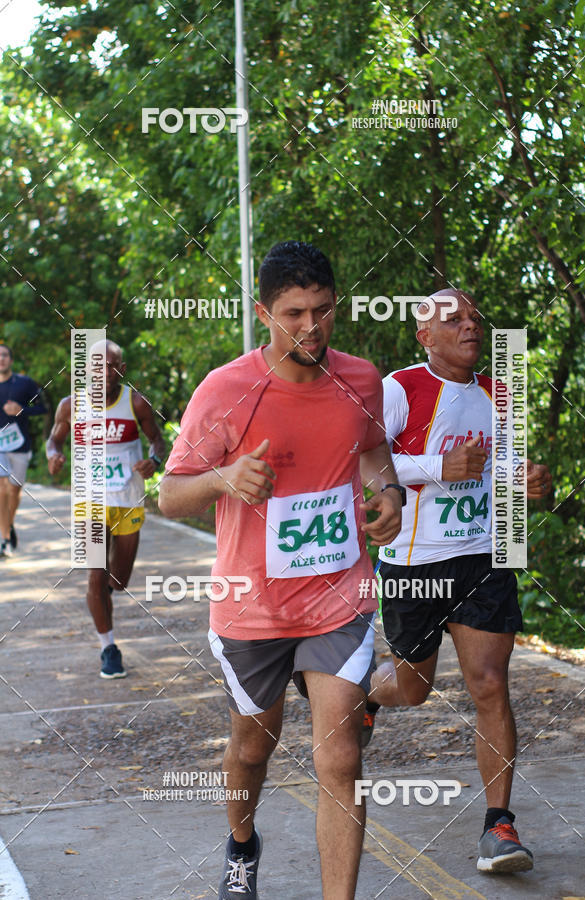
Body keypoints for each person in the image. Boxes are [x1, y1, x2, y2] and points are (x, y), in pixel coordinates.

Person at [159, 241, 404, 900]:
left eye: (322, 311)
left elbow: (375, 454)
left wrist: (390, 496)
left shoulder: (360, 379)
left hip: (338, 601)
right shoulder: (226, 390)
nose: (310, 328)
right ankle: (242, 843)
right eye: (294, 313)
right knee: (252, 747)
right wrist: (224, 476)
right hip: (253, 608)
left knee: (341, 755)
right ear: (263, 311)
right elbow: (170, 494)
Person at [363, 289, 552, 874]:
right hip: (413, 566)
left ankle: (499, 826)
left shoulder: (502, 392)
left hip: (482, 561)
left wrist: (529, 479)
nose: (471, 324)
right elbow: (359, 460)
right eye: (454, 319)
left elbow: (505, 466)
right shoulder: (400, 389)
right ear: (426, 336)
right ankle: (369, 693)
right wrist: (433, 468)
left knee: (490, 684)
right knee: (414, 689)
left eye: (474, 315)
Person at [46, 340, 165, 678]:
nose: (102, 373)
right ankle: (108, 647)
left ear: (121, 370)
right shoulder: (71, 405)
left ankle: (107, 593)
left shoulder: (135, 402)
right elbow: (54, 439)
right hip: (90, 501)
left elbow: (158, 440)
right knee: (95, 576)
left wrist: (154, 461)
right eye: (95, 366)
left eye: (110, 366)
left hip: (127, 499)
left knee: (119, 579)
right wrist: (53, 455)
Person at [0, 343, 47, 557]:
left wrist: (21, 410)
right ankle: (5, 539)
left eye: (5, 355)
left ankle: (7, 525)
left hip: (20, 446)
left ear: (11, 359)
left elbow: (43, 408)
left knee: (13, 491)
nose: (1, 359)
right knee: (1, 490)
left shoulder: (25, 383)